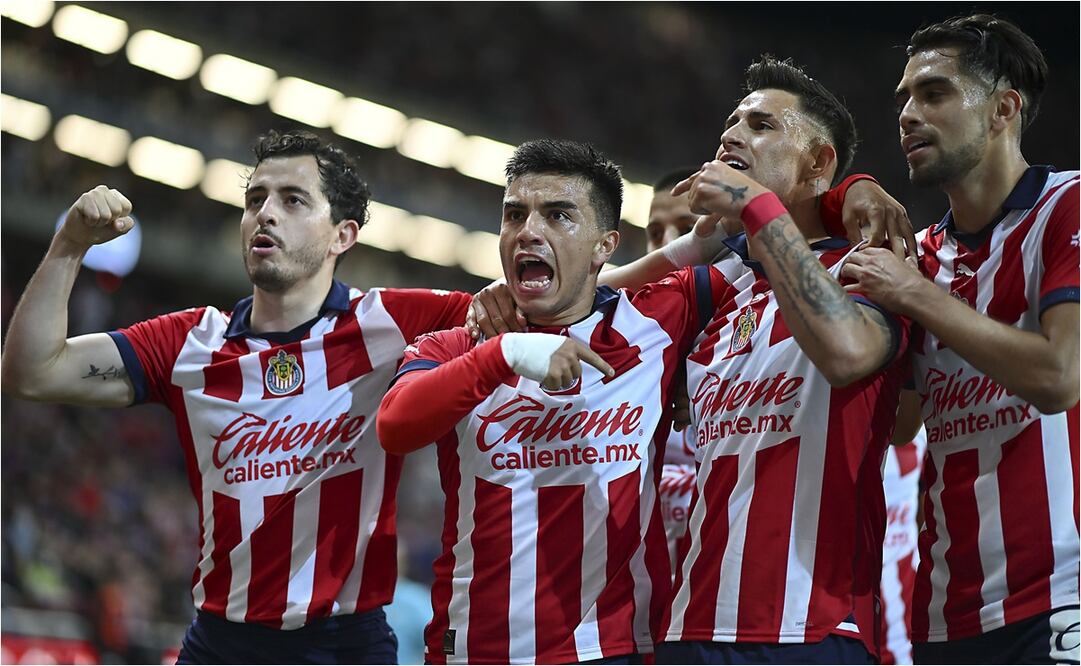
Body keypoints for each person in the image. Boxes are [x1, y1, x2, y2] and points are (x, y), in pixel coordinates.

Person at [1, 130, 475, 663]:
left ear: (342, 235)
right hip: (221, 644)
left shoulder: (394, 322)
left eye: (292, 200)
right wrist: (69, 245)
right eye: (255, 200)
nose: (265, 214)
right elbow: (31, 372)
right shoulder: (188, 342)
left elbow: (521, 312)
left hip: (345, 646)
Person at [378, 138, 743, 664]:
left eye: (558, 215)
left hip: (614, 649)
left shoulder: (660, 318)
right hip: (477, 649)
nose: (528, 230)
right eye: (514, 215)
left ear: (605, 245)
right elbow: (395, 426)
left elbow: (791, 238)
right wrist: (505, 353)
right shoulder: (460, 343)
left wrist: (851, 190)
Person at [656, 56, 912, 664]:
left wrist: (758, 205)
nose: (732, 135)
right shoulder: (719, 293)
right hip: (689, 628)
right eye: (731, 123)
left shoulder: (870, 267)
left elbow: (848, 352)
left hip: (812, 631)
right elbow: (592, 306)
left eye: (762, 124)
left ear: (819, 164)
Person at [841, 14, 1079, 664]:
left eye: (934, 93)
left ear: (1003, 109)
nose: (907, 114)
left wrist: (913, 295)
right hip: (944, 609)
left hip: (1063, 590)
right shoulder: (917, 257)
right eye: (903, 99)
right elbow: (900, 424)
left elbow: (1058, 377)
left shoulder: (1068, 207)